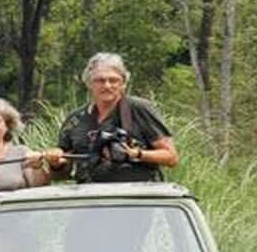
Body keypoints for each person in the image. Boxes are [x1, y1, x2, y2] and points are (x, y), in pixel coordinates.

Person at [42, 52, 178, 183]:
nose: (107, 86)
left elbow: (171, 157)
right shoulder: (76, 119)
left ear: (123, 84)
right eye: (100, 80)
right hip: (90, 194)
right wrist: (55, 163)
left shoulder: (139, 108)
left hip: (139, 193)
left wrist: (137, 154)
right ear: (89, 83)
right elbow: (60, 175)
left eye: (113, 80)